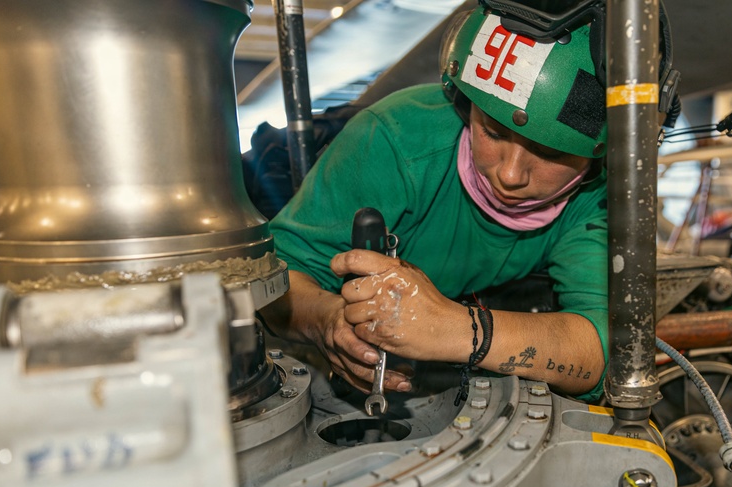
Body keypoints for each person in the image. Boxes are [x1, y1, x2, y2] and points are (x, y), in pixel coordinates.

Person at [261, 5, 610, 401]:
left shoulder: (597, 194)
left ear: (598, 156)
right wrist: (328, 321)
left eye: (550, 153)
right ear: (465, 106)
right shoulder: (392, 140)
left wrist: (460, 329)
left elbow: (604, 346)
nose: (511, 175)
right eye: (493, 133)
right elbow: (276, 282)